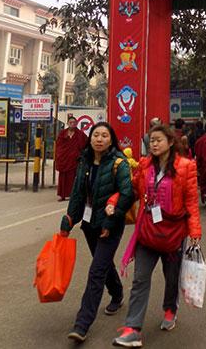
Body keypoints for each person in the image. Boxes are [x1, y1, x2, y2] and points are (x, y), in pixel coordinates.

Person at [112, 125, 201, 347]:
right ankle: (133, 329)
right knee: (140, 279)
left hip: (173, 234)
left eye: (158, 140)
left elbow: (191, 201)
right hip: (147, 231)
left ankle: (170, 309)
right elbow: (132, 190)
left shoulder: (186, 167)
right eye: (151, 140)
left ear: (170, 142)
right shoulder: (144, 165)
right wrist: (114, 201)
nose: (153, 144)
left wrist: (195, 232)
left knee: (171, 277)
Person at [59, 122, 134, 343]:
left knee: (96, 271)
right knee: (102, 264)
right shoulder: (84, 162)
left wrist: (110, 222)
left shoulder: (119, 163)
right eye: (95, 135)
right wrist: (70, 219)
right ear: (90, 139)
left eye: (104, 135)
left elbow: (127, 194)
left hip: (110, 226)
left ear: (111, 140)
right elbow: (77, 194)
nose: (99, 139)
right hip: (90, 225)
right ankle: (118, 293)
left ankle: (82, 324)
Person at [55, 116, 88, 201]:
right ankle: (62, 195)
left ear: (76, 124)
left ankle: (73, 195)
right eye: (70, 122)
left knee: (74, 178)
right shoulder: (63, 134)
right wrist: (60, 156)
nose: (72, 124)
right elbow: (59, 146)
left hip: (75, 160)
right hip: (64, 160)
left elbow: (86, 145)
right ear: (67, 123)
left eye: (74, 122)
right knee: (63, 178)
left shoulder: (80, 134)